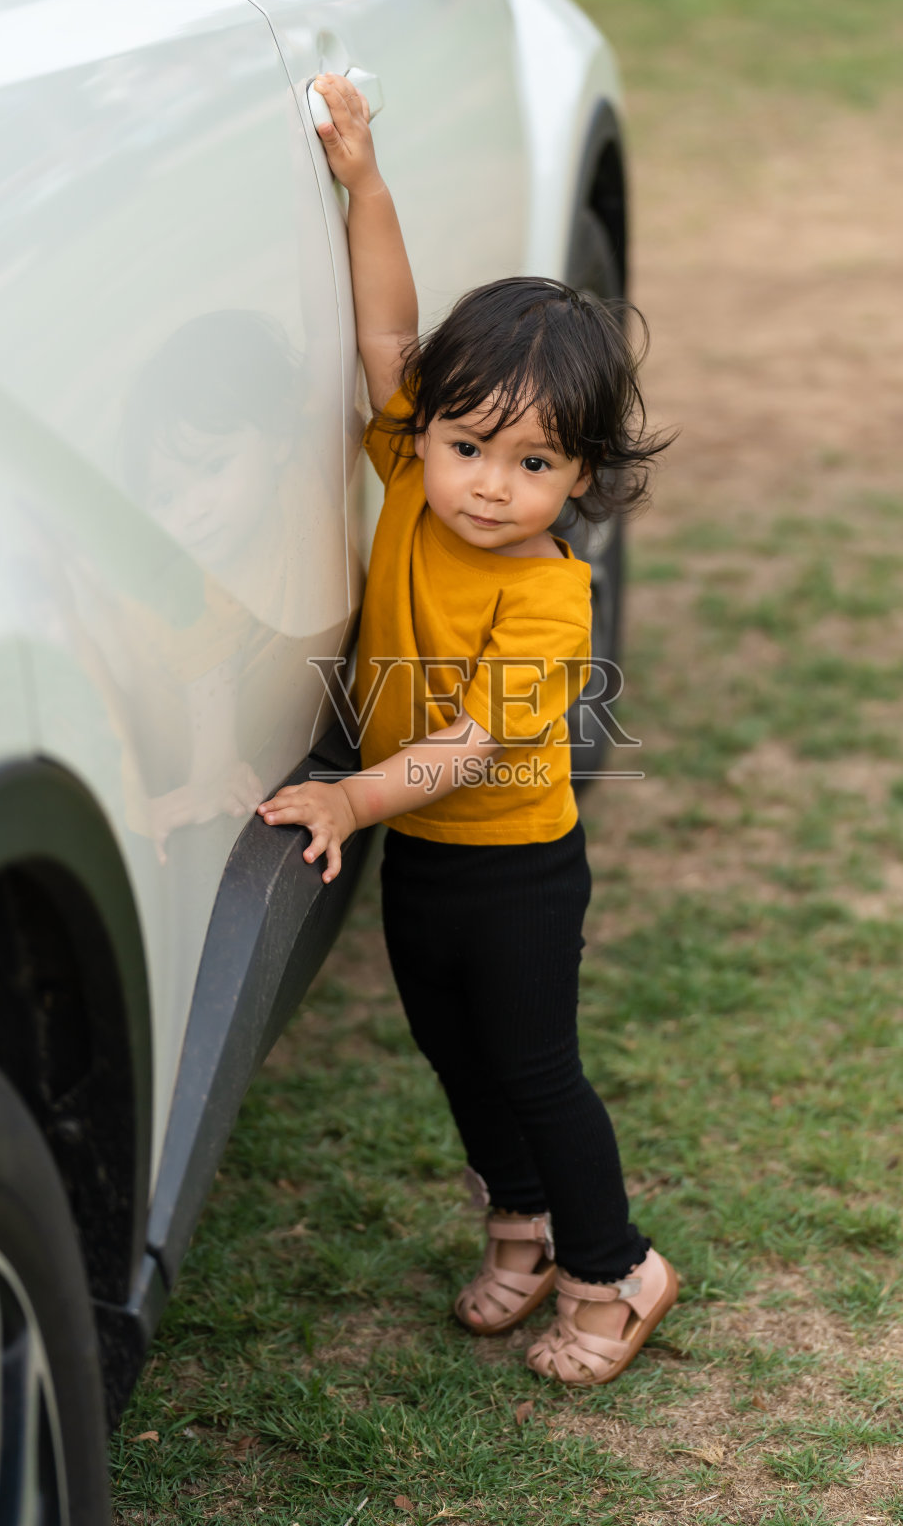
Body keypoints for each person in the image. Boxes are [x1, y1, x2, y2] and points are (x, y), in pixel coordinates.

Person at [257, 73, 677, 1385]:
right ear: (427, 433)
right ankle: (523, 1229)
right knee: (452, 1049)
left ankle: (617, 1272)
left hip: (514, 864)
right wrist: (362, 180)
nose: (492, 487)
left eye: (536, 464)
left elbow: (477, 748)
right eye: (469, 446)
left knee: (538, 1067)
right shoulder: (407, 475)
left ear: (586, 479)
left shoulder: (552, 595)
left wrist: (347, 798)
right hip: (427, 855)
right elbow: (391, 330)